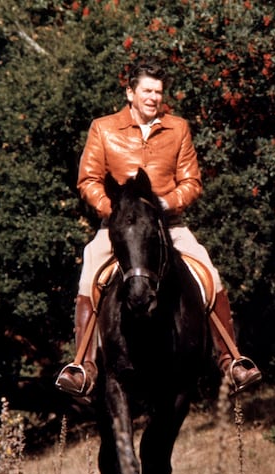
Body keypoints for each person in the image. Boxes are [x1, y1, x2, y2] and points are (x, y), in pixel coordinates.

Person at [55, 59, 262, 397]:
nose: (153, 97)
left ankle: (232, 359)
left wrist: (166, 205)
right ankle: (83, 365)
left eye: (158, 91)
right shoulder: (103, 128)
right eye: (147, 90)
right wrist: (119, 212)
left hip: (169, 226)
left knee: (208, 272)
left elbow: (192, 182)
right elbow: (88, 180)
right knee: (90, 270)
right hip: (118, 228)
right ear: (130, 93)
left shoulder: (177, 128)